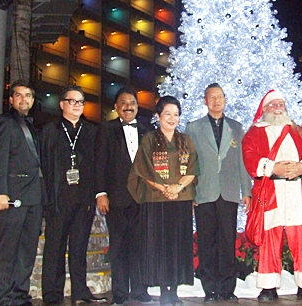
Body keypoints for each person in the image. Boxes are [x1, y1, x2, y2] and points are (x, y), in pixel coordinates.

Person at [242, 89, 302, 301]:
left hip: (297, 190)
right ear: (265, 109)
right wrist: (272, 167)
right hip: (271, 192)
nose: (278, 108)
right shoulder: (255, 132)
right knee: (270, 239)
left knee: (301, 238)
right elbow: (249, 156)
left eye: (280, 104)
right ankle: (268, 286)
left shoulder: (298, 131)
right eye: (273, 105)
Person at [127, 96, 200, 306]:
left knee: (178, 245)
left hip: (181, 199)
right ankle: (163, 291)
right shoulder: (149, 139)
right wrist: (164, 188)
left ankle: (174, 291)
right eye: (167, 114)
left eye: (176, 114)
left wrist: (178, 187)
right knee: (159, 246)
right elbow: (143, 168)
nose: (172, 118)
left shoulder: (186, 140)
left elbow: (194, 168)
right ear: (158, 116)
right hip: (156, 199)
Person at [184, 83, 252, 302]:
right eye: (211, 97)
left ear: (225, 99)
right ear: (205, 101)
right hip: (204, 191)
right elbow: (188, 163)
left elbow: (242, 162)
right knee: (206, 243)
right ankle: (210, 289)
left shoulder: (236, 127)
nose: (216, 100)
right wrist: (190, 191)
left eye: (219, 96)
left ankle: (227, 288)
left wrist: (246, 190)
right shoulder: (193, 128)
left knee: (226, 241)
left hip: (229, 192)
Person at [41, 85, 106, 304]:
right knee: (54, 249)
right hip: (58, 199)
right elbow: (45, 166)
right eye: (72, 101)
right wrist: (47, 198)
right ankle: (52, 293)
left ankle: (80, 291)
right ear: (62, 104)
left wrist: (96, 195)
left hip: (83, 200)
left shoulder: (91, 131)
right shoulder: (50, 130)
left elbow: (97, 166)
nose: (77, 105)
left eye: (80, 102)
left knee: (79, 248)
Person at [95, 86, 153, 305]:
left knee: (141, 246)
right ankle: (119, 292)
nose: (129, 107)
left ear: (137, 107)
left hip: (142, 199)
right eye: (124, 103)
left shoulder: (147, 131)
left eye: (133, 103)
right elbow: (100, 164)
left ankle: (140, 290)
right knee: (118, 246)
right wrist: (101, 193)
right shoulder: (106, 129)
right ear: (116, 107)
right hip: (116, 199)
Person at [0, 80, 43, 306]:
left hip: (34, 196)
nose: (24, 99)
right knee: (7, 249)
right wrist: (0, 192)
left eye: (28, 95)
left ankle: (20, 294)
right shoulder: (3, 121)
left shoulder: (32, 126)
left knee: (27, 249)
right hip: (12, 196)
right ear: (11, 100)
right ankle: (2, 298)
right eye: (18, 95)